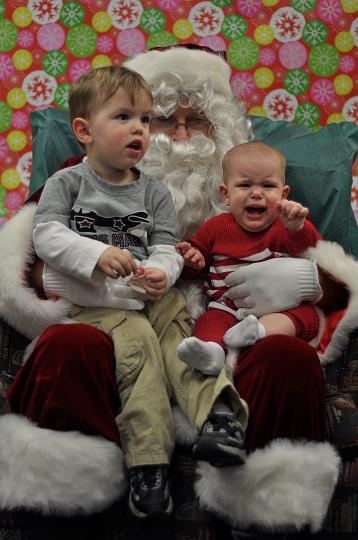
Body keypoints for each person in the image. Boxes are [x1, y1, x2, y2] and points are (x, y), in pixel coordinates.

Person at [0, 45, 349, 531]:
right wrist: (94, 275)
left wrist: (299, 281)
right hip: (109, 331)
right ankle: (68, 509)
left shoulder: (260, 185)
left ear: (221, 128)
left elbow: (333, 284)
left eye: (198, 121)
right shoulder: (76, 178)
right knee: (66, 344)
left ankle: (265, 507)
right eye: (164, 119)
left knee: (287, 359)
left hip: (227, 343)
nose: (181, 136)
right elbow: (25, 269)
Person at [32, 65, 248, 519]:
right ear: (84, 131)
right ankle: (148, 466)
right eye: (124, 117)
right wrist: (93, 255)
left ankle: (220, 418)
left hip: (153, 295)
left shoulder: (154, 193)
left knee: (185, 346)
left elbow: (166, 248)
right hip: (103, 303)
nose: (140, 129)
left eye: (146, 120)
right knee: (140, 355)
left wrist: (162, 272)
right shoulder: (68, 183)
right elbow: (46, 236)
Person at [176, 141, 322, 375]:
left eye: (267, 185)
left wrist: (298, 228)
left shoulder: (284, 225)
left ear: (283, 194)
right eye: (244, 185)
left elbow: (312, 250)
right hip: (228, 306)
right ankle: (212, 352)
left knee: (305, 316)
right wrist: (192, 260)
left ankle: (258, 332)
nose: (256, 193)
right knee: (209, 320)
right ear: (225, 194)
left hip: (276, 308)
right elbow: (195, 263)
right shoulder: (215, 227)